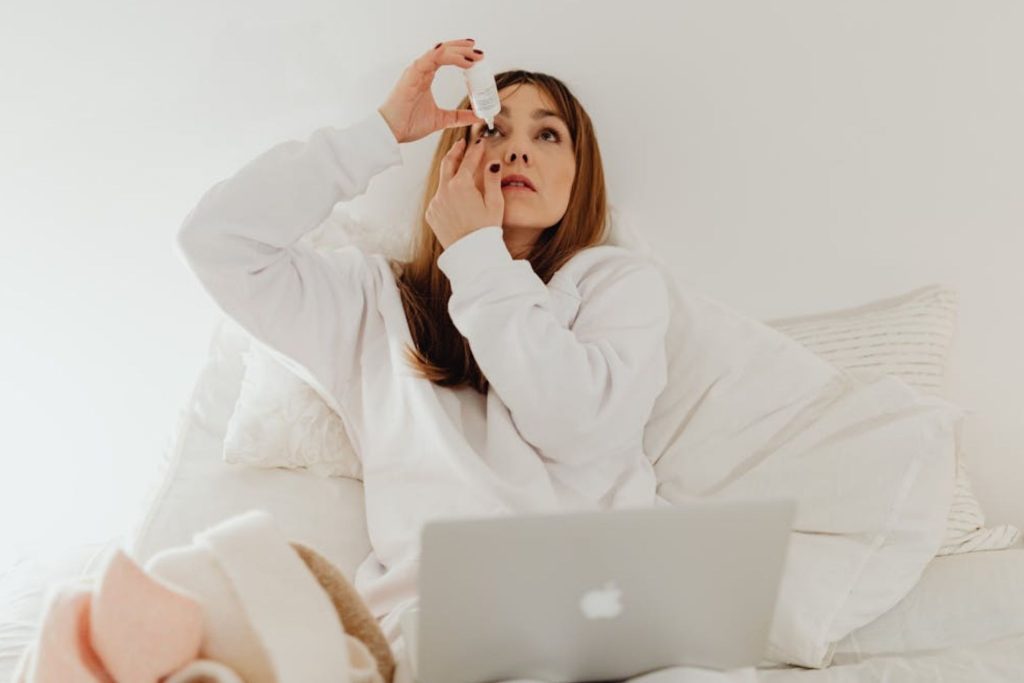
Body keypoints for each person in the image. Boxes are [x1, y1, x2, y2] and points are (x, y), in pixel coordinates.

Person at [176, 37, 672, 682]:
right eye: (492, 128)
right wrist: (380, 134)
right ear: (455, 155)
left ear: (581, 176)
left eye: (548, 135)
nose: (517, 148)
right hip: (440, 629)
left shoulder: (616, 284)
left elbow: (576, 426)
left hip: (601, 617)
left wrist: (478, 256)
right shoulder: (372, 302)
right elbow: (216, 241)